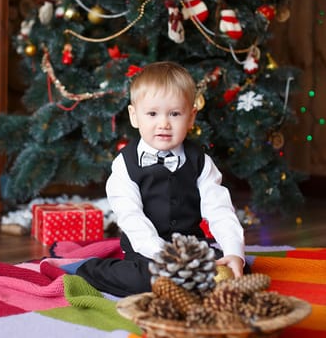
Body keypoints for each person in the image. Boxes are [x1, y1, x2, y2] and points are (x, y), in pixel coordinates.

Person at [76, 61, 246, 297]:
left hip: (190, 250)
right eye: (152, 113)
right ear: (135, 117)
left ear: (191, 117)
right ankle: (91, 270)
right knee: (146, 282)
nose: (164, 123)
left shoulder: (200, 162)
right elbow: (131, 217)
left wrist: (233, 252)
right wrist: (165, 257)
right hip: (147, 250)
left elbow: (220, 210)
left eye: (175, 114)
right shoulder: (125, 165)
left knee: (226, 273)